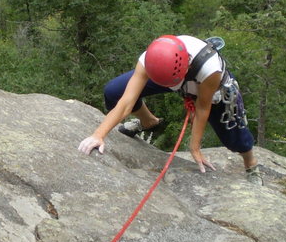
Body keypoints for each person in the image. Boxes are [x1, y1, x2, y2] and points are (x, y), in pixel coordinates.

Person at [78, 34, 262, 184]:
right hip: (169, 75)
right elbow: (126, 101)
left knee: (235, 139)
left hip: (208, 88)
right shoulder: (151, 59)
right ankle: (147, 121)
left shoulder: (210, 68)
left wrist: (195, 146)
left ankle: (250, 162)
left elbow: (203, 107)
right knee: (113, 92)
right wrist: (98, 135)